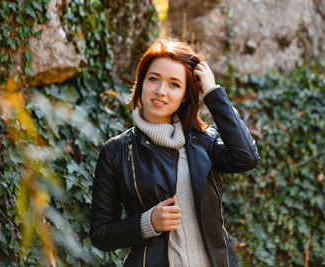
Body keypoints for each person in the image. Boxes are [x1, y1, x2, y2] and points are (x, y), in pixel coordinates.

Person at [90, 38, 260, 267]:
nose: (160, 91)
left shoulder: (203, 142)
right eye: (153, 79)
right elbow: (100, 233)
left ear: (185, 96)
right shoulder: (117, 152)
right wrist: (147, 222)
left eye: (174, 84)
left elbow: (246, 157)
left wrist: (212, 92)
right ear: (140, 83)